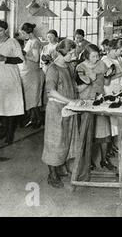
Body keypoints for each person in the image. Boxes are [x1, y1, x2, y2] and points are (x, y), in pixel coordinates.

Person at [42, 39, 81, 188]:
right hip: (56, 109)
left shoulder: (69, 67)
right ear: (60, 52)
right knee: (55, 142)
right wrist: (70, 100)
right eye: (70, 53)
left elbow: (72, 85)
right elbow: (51, 91)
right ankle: (52, 174)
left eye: (73, 52)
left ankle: (61, 167)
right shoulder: (53, 69)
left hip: (69, 108)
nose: (73, 55)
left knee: (68, 139)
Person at [76, 44, 116, 171]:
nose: (97, 58)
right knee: (87, 132)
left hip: (100, 99)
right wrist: (89, 79)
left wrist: (108, 74)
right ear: (87, 56)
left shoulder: (101, 64)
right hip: (86, 101)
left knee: (104, 132)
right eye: (93, 56)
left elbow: (106, 83)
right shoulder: (80, 67)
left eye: (98, 55)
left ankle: (104, 159)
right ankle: (89, 161)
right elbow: (77, 88)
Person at [19, 23, 45, 129]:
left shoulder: (35, 42)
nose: (22, 35)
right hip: (28, 73)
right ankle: (32, 119)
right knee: (30, 99)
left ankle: (38, 119)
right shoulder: (29, 41)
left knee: (34, 99)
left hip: (34, 74)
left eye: (24, 33)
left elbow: (36, 59)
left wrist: (24, 54)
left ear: (29, 32)